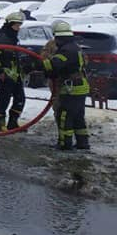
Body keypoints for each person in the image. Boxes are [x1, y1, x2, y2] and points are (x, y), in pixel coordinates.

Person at [42, 20, 90, 151]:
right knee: (78, 116)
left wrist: (41, 65)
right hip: (81, 86)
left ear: (59, 37)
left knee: (65, 116)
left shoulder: (65, 51)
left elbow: (54, 66)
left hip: (71, 89)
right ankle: (82, 142)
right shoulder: (75, 47)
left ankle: (65, 143)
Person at [0, 11, 26, 131]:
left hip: (15, 75)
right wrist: (0, 71)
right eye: (16, 25)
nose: (18, 28)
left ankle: (13, 123)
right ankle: (1, 124)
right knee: (3, 100)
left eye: (19, 25)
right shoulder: (2, 39)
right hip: (5, 75)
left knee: (20, 99)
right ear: (10, 25)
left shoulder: (13, 39)